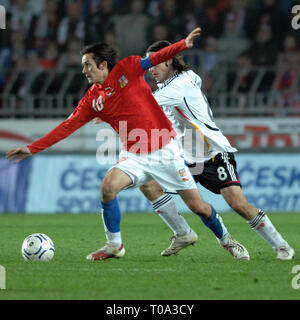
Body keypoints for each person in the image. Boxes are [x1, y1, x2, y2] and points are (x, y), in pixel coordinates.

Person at [6, 27, 249, 261]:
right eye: (83, 66)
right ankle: (114, 245)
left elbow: (156, 57)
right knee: (108, 188)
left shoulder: (128, 68)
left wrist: (181, 46)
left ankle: (226, 240)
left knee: (198, 206)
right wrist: (32, 148)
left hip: (165, 150)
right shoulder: (92, 99)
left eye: (88, 65)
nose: (84, 71)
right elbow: (66, 126)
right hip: (134, 155)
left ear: (103, 64)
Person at [138, 39, 295, 261]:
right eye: (148, 64)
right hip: (186, 157)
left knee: (239, 205)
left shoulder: (177, 86)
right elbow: (196, 79)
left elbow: (145, 106)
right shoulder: (185, 78)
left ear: (169, 61)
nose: (150, 69)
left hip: (214, 154)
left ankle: (281, 245)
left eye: (154, 63)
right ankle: (199, 236)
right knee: (150, 184)